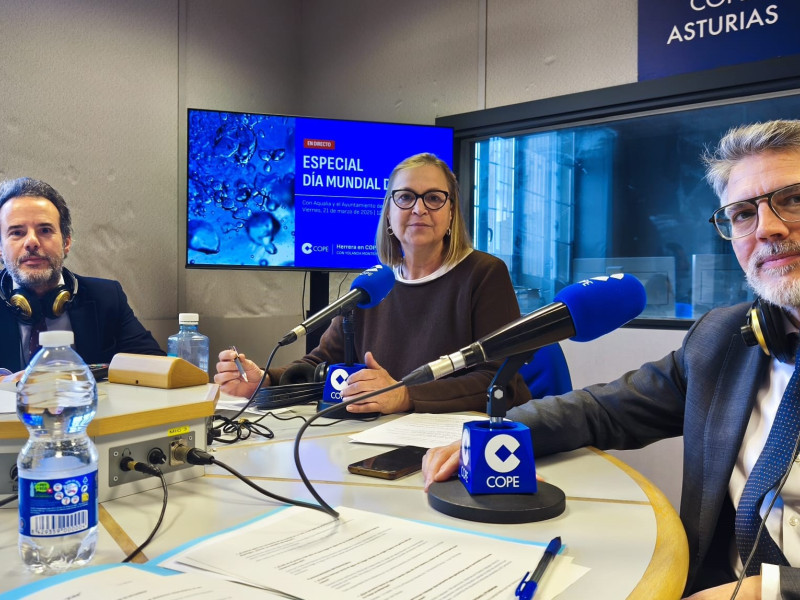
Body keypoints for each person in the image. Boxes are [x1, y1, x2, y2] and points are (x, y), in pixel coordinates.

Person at [422, 119, 800, 599]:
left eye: (793, 199)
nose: (767, 228)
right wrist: (501, 436)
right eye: (743, 213)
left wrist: (772, 591)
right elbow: (606, 409)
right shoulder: (724, 339)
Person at [215, 153, 530, 414]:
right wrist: (266, 380)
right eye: (405, 197)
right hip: (378, 434)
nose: (419, 209)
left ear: (451, 213)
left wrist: (405, 395)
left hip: (460, 441)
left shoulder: (484, 274)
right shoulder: (374, 283)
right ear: (390, 213)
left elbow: (499, 378)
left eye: (433, 198)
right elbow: (324, 363)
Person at [0, 177, 164, 376]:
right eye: (17, 232)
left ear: (66, 242)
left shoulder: (106, 297)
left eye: (45, 230)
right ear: (1, 248)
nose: (32, 242)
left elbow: (157, 368)